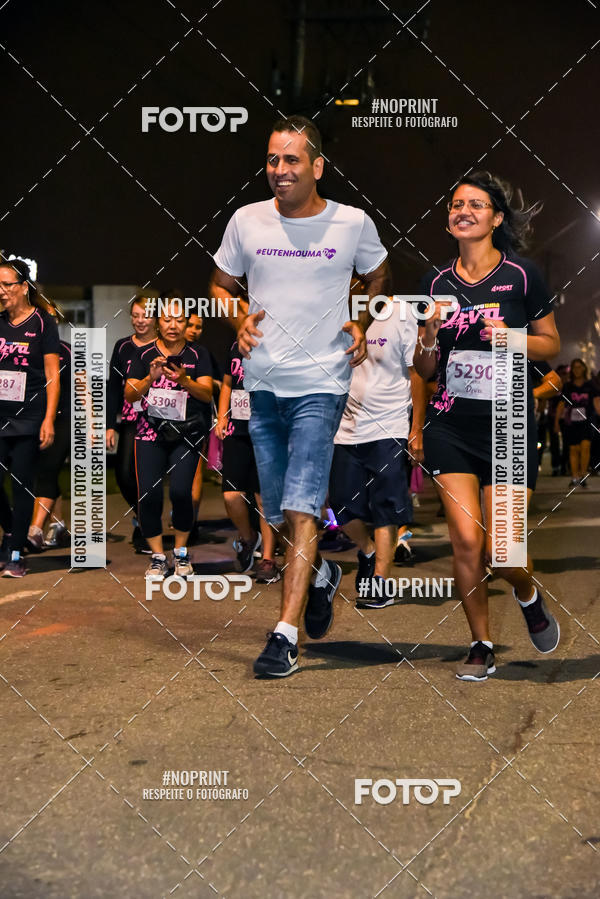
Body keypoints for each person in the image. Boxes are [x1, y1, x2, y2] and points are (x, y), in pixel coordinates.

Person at [211, 114, 389, 677]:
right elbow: (220, 285)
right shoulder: (246, 220)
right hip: (262, 386)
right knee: (277, 509)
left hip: (321, 383)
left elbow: (379, 274)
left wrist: (362, 319)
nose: (280, 169)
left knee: (300, 504)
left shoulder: (351, 222)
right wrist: (237, 317)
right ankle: (322, 574)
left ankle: (284, 636)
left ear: (317, 166)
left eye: (291, 159)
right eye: (272, 159)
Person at [413, 171, 561, 682]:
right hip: (450, 425)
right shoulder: (435, 283)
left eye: (476, 205)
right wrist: (429, 332)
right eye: (457, 204)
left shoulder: (522, 275)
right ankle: (481, 644)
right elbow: (424, 368)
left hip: (508, 423)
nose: (464, 211)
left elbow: (551, 344)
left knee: (503, 551)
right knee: (465, 541)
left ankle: (527, 592)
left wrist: (510, 337)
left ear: (496, 218)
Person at [328, 295, 421, 609]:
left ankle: (380, 581)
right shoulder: (336, 308)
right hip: (345, 427)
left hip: (389, 425)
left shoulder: (399, 312)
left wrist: (416, 427)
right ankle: (367, 551)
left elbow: (417, 372)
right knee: (339, 504)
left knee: (386, 505)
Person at [125, 300, 213, 579]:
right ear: (158, 322)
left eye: (179, 320)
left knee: (180, 492)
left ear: (186, 323)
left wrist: (185, 380)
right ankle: (157, 556)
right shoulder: (144, 354)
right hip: (149, 433)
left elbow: (207, 394)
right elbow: (129, 394)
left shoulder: (198, 354)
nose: (173, 325)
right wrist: (150, 378)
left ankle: (181, 552)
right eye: (167, 319)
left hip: (187, 434)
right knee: (149, 494)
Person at [0, 258, 60, 577]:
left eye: (6, 284)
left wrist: (49, 419)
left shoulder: (43, 323)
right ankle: (12, 530)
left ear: (24, 287)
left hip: (29, 417)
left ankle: (14, 553)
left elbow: (52, 375)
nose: (1, 290)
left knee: (21, 484)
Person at [215, 340, 280, 582]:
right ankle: (248, 537)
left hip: (268, 430)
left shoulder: (279, 343)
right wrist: (222, 416)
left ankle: (268, 559)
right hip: (237, 430)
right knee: (231, 496)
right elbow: (227, 383)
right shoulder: (235, 346)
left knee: (264, 499)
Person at [106, 296, 156, 552]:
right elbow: (113, 387)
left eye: (144, 315)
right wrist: (109, 425)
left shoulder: (165, 345)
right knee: (124, 475)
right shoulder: (123, 346)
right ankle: (144, 516)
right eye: (135, 316)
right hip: (131, 419)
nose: (139, 321)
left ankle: (146, 529)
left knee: (147, 476)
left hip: (158, 418)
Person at [27, 329, 72, 551]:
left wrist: (93, 422)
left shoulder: (67, 351)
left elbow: (82, 387)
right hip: (33, 419)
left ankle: (34, 531)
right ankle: (58, 525)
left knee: (48, 469)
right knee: (42, 472)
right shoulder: (26, 349)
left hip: (64, 419)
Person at [554, 358, 600, 487]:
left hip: (587, 420)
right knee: (573, 449)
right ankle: (574, 477)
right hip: (571, 422)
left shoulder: (590, 385)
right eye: (574, 367)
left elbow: (597, 402)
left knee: (585, 447)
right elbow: (561, 404)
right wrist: (556, 422)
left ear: (584, 368)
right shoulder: (568, 386)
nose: (577, 370)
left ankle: (583, 475)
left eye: (579, 367)